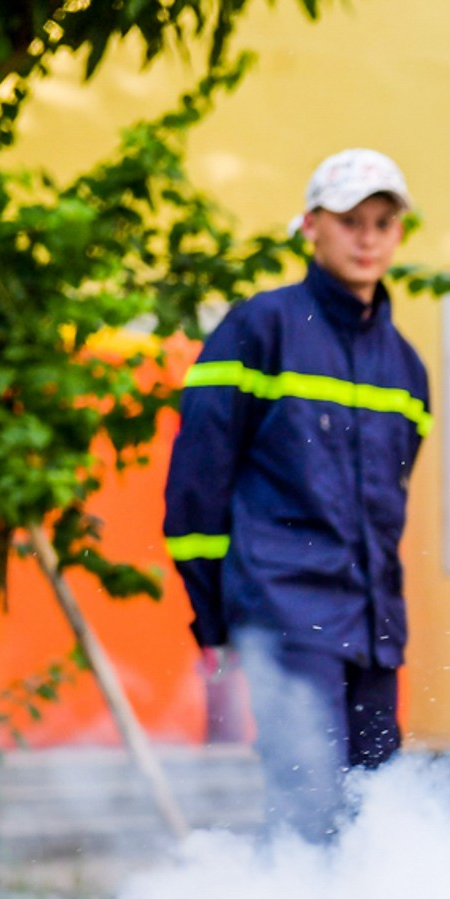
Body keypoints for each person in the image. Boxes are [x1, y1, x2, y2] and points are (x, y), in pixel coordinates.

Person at [164, 149, 429, 843]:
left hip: (374, 626)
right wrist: (214, 619)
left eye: (382, 221)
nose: (367, 237)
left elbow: (389, 505)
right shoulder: (260, 328)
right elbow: (196, 485)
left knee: (376, 808)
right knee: (308, 802)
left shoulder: (407, 367)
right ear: (310, 226)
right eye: (349, 221)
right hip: (283, 609)